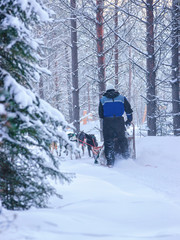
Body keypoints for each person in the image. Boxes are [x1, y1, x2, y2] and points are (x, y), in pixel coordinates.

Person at [98, 83, 133, 167]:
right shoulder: (122, 98)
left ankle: (110, 162)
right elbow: (128, 110)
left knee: (108, 142)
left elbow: (100, 114)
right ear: (114, 90)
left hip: (107, 122)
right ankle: (126, 158)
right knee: (122, 139)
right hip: (119, 121)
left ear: (106, 91)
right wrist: (129, 120)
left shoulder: (102, 99)